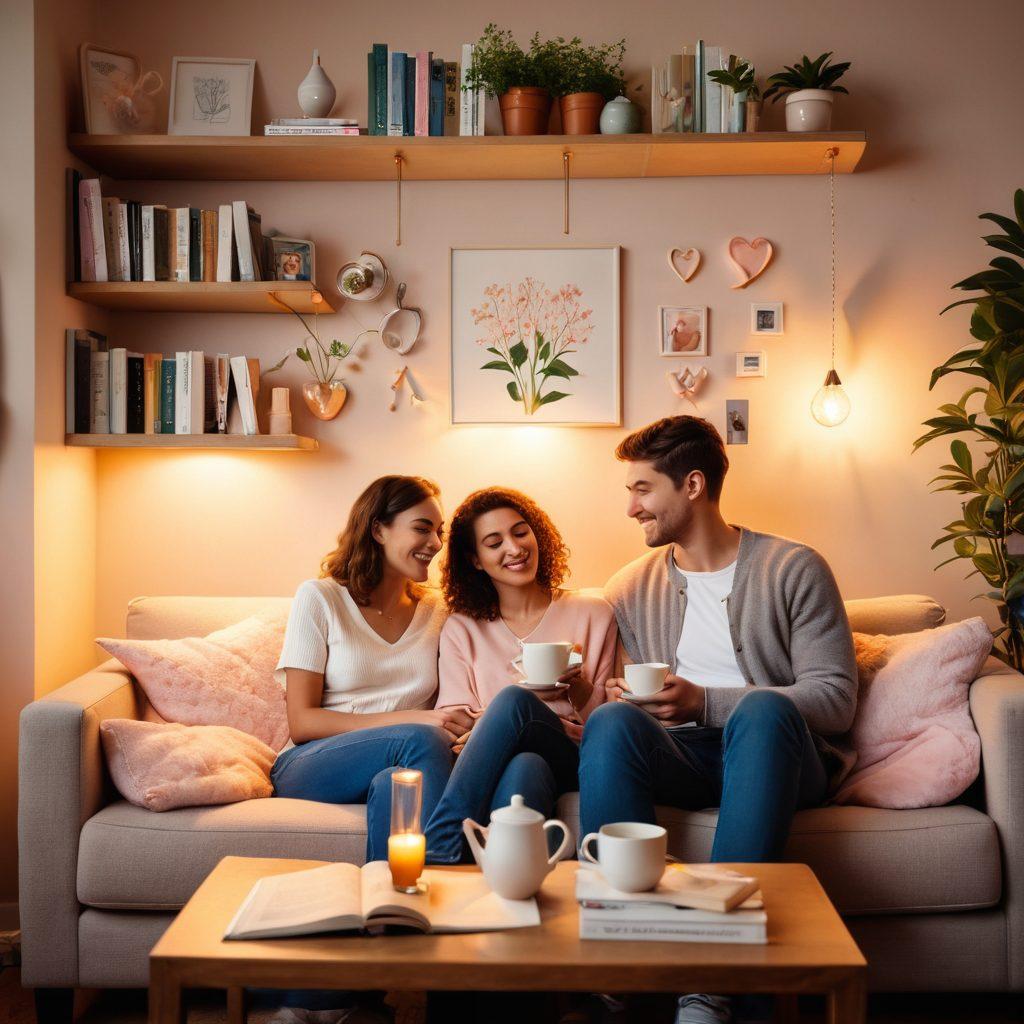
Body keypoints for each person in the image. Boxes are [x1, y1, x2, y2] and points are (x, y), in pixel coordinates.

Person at [578, 416, 857, 1024]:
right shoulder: (629, 587)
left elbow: (834, 699)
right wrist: (624, 699)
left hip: (776, 754)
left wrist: (705, 702)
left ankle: (711, 982)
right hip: (682, 756)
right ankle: (620, 966)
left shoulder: (794, 568)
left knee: (760, 708)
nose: (630, 508)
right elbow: (629, 702)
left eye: (643, 489)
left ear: (694, 485)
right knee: (610, 725)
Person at [424, 487, 618, 864]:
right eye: (494, 542)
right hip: (515, 760)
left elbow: (605, 725)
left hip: (574, 754)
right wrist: (505, 724)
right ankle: (512, 890)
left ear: (537, 535)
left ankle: (441, 840)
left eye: (520, 532)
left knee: (514, 701)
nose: (514, 548)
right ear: (476, 560)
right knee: (524, 766)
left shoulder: (594, 613)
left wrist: (575, 686)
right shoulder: (463, 627)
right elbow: (457, 722)